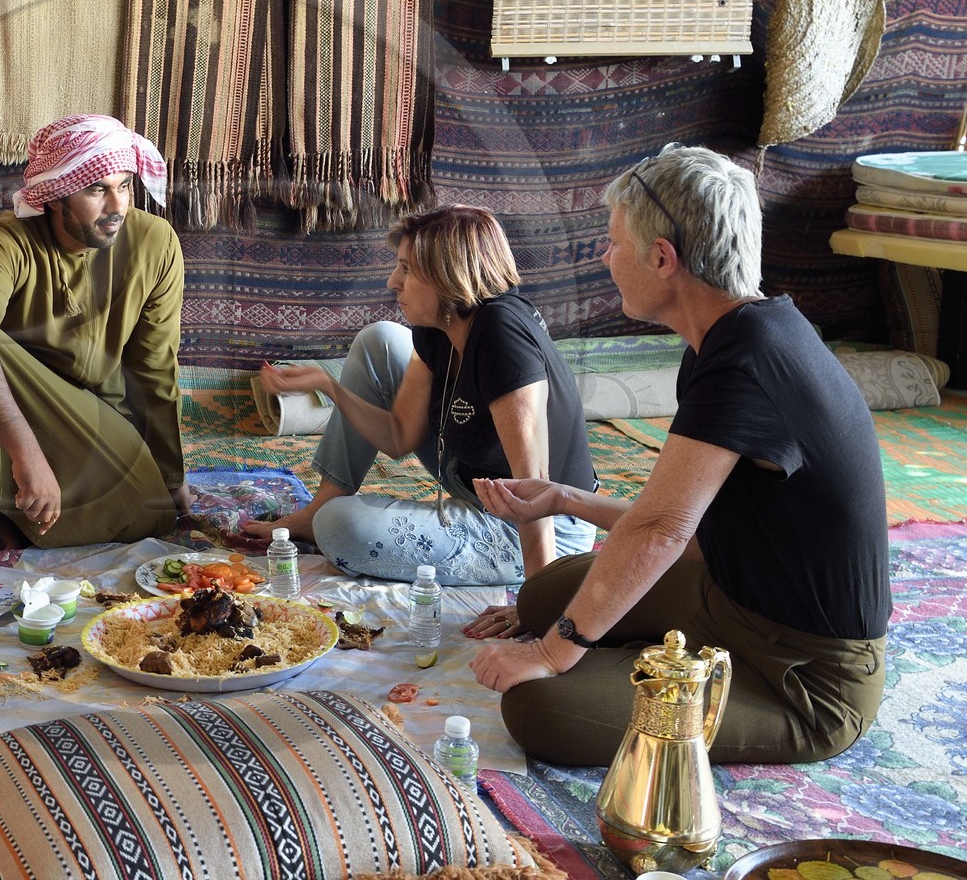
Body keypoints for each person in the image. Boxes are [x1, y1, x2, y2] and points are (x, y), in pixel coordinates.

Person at [470, 143, 890, 766]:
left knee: (541, 708)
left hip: (805, 678)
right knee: (542, 600)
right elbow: (687, 526)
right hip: (729, 596)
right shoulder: (729, 338)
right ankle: (633, 655)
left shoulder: (747, 362)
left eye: (612, 242)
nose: (604, 257)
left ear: (662, 257)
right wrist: (564, 499)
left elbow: (664, 531)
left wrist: (552, 653)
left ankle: (634, 665)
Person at [244, 205, 597, 617]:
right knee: (379, 339)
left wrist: (539, 604)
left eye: (407, 270)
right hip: (474, 480)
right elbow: (399, 437)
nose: (393, 282)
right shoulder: (440, 328)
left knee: (339, 527)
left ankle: (327, 518)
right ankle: (317, 507)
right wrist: (329, 387)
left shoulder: (502, 336)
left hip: (541, 525)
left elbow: (535, 488)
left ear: (448, 275)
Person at [0, 114, 192, 547]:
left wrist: (170, 477)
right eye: (97, 189)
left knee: (145, 518)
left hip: (91, 413)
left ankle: (15, 507)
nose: (117, 206)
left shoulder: (155, 242)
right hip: (1, 417)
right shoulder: (7, 239)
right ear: (56, 196)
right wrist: (28, 455)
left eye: (124, 186)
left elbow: (154, 368)